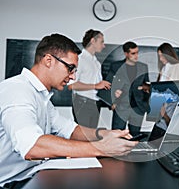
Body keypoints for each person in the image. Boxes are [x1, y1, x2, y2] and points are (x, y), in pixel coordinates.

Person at [0, 33, 137, 188]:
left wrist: (104, 134)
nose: (72, 77)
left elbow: (70, 130)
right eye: (70, 68)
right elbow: (33, 146)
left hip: (31, 174)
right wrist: (101, 148)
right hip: (10, 183)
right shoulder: (17, 91)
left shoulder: (41, 96)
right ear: (48, 60)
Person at [106, 41, 151, 136]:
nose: (136, 56)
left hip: (138, 108)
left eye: (137, 52)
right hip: (121, 106)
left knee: (135, 137)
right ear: (126, 54)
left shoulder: (143, 67)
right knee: (117, 135)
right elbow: (108, 84)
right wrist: (112, 101)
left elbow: (147, 85)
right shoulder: (116, 66)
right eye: (133, 53)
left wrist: (145, 88)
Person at [68, 29, 111, 128]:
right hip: (83, 104)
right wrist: (96, 85)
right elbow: (71, 85)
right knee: (82, 138)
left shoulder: (96, 62)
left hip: (95, 104)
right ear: (93, 41)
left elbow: (98, 86)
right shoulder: (80, 60)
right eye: (102, 42)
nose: (104, 45)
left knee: (90, 138)